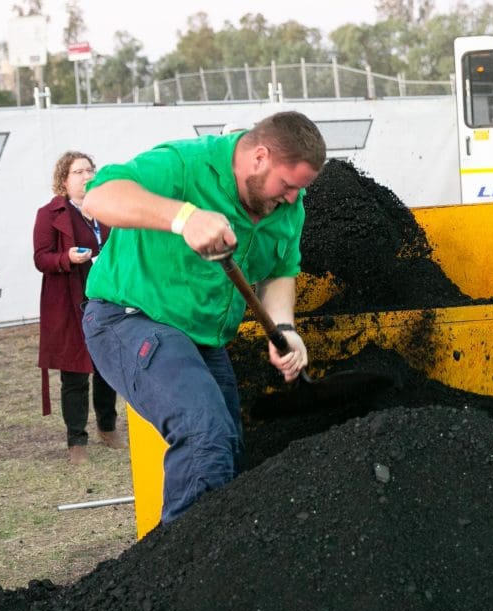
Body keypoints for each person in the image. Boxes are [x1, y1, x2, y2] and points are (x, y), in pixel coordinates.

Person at [81, 111, 326, 523]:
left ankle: (217, 564)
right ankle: (177, 572)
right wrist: (183, 218)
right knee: (203, 432)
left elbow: (282, 270)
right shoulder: (183, 163)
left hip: (200, 338)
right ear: (259, 156)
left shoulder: (289, 208)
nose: (291, 198)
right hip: (128, 318)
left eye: (298, 190)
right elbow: (99, 197)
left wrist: (284, 327)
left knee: (227, 446)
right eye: (286, 185)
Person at [33, 151, 122, 465]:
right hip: (68, 302)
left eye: (90, 170)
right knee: (74, 373)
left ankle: (108, 427)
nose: (86, 176)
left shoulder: (105, 207)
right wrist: (66, 258)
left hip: (106, 299)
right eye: (78, 172)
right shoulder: (49, 213)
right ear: (64, 180)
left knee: (106, 369)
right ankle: (76, 439)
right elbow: (41, 258)